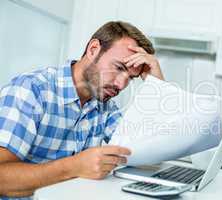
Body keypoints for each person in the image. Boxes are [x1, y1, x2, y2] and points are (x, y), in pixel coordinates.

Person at [0, 21, 164, 198]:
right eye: (118, 68)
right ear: (93, 49)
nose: (121, 84)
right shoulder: (30, 91)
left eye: (131, 78)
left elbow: (149, 148)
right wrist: (73, 167)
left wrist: (157, 85)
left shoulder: (104, 105)